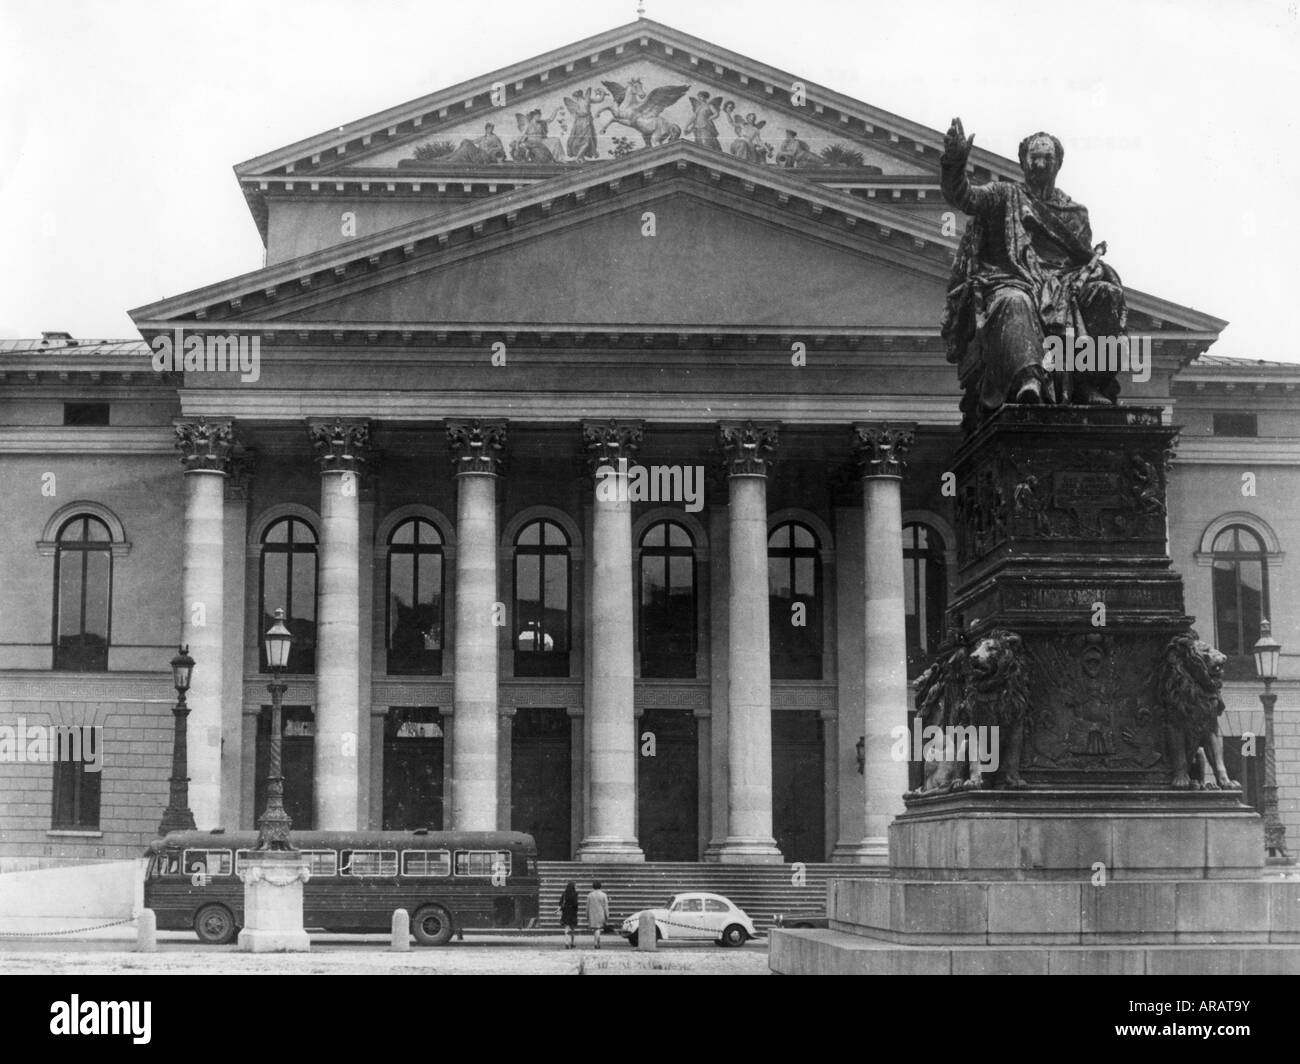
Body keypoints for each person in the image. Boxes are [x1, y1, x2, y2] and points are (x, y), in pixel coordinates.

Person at [940, 118, 1126, 421]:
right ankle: (1029, 379)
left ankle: (1090, 382)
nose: (1040, 164)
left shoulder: (1075, 213)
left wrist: (1093, 274)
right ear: (1023, 162)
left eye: (1047, 158)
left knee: (1105, 293)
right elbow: (963, 197)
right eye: (1034, 158)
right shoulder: (1003, 194)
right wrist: (954, 163)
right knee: (1014, 300)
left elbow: (1084, 260)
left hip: (1065, 284)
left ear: (1058, 164)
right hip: (1015, 278)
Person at [586, 880, 610, 949]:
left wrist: (587, 914)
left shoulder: (590, 895)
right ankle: (597, 943)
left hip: (592, 914)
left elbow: (587, 906)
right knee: (598, 929)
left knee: (595, 929)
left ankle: (596, 943)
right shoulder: (603, 895)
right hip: (601, 913)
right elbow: (606, 906)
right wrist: (607, 915)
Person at [558, 881, 579, 949]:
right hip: (572, 912)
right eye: (575, 886)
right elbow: (575, 904)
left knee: (566, 928)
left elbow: (560, 903)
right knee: (572, 928)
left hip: (565, 912)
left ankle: (566, 943)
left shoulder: (564, 893)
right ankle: (572, 943)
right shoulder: (575, 894)